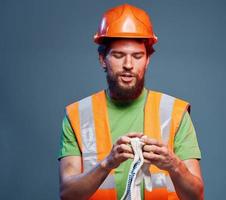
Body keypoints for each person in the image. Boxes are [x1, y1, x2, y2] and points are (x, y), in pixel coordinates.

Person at [58, 4, 204, 200]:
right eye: (118, 55)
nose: (128, 65)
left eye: (137, 56)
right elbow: (67, 195)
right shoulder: (78, 115)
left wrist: (173, 164)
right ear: (102, 59)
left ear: (147, 60)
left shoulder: (175, 113)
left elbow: (196, 196)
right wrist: (107, 163)